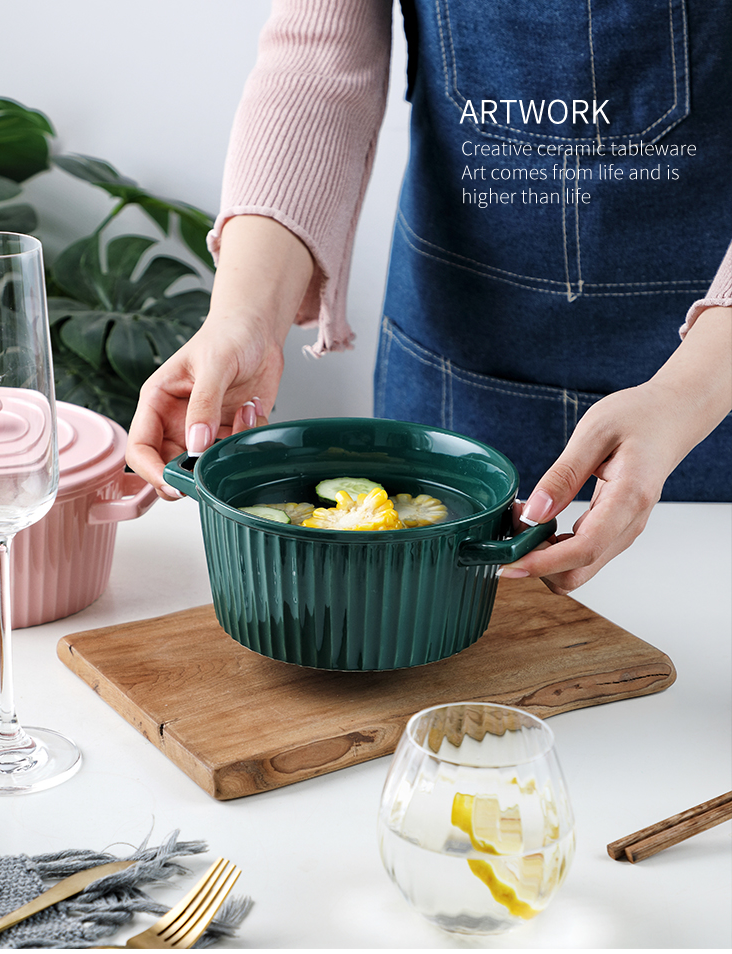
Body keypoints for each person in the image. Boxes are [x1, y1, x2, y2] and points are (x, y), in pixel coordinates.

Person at [127, 0, 732, 595]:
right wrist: (244, 315)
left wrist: (686, 393)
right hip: (452, 353)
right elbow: (317, 60)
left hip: (713, 387)